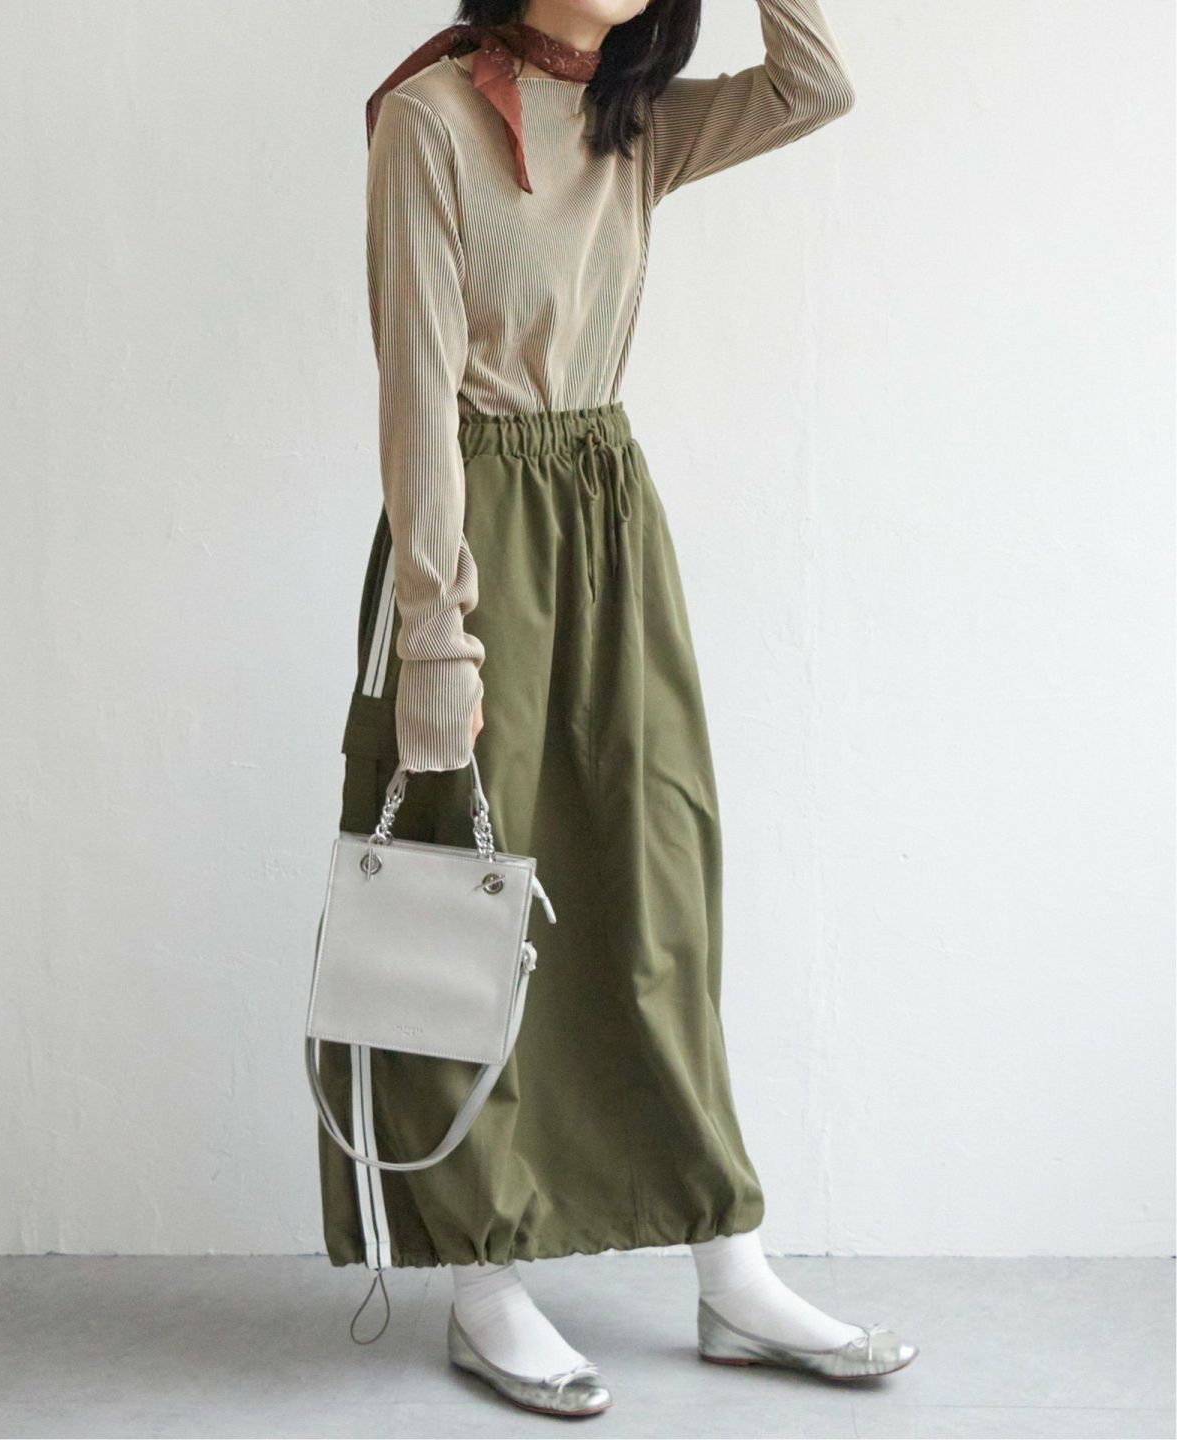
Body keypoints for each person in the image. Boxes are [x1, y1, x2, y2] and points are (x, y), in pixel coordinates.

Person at [316, 0, 918, 1417]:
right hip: (477, 534)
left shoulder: (631, 122)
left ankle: (729, 1263)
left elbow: (815, 84)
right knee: (464, 892)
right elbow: (416, 392)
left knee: (659, 880)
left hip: (609, 519)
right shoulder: (429, 122)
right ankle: (483, 1278)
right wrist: (435, 631)